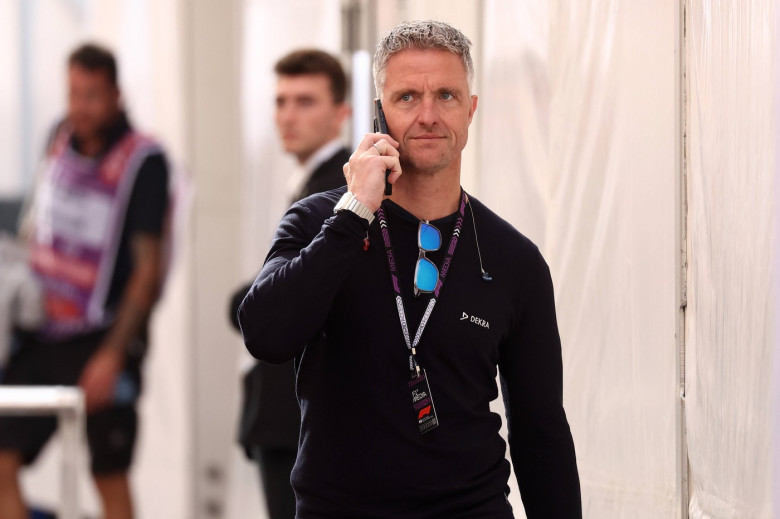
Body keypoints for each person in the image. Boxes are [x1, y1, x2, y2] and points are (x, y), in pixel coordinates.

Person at [238, 20, 581, 519]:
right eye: (406, 98)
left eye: (446, 95)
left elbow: (541, 428)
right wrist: (354, 212)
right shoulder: (320, 221)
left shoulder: (514, 259)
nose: (428, 116)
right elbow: (266, 333)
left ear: (471, 108)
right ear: (380, 113)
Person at [0, 43, 170, 519]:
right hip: (42, 330)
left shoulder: (144, 162)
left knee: (107, 475)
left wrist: (113, 355)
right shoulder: (57, 136)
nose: (80, 107)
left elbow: (147, 269)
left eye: (92, 95)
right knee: (2, 459)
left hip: (103, 336)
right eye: (73, 94)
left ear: (116, 94)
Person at [228, 49, 349, 519]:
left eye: (305, 101)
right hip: (286, 416)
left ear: (341, 113)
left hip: (296, 419)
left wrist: (244, 299)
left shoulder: (336, 189)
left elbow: (294, 291)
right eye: (280, 102)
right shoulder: (309, 184)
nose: (288, 115)